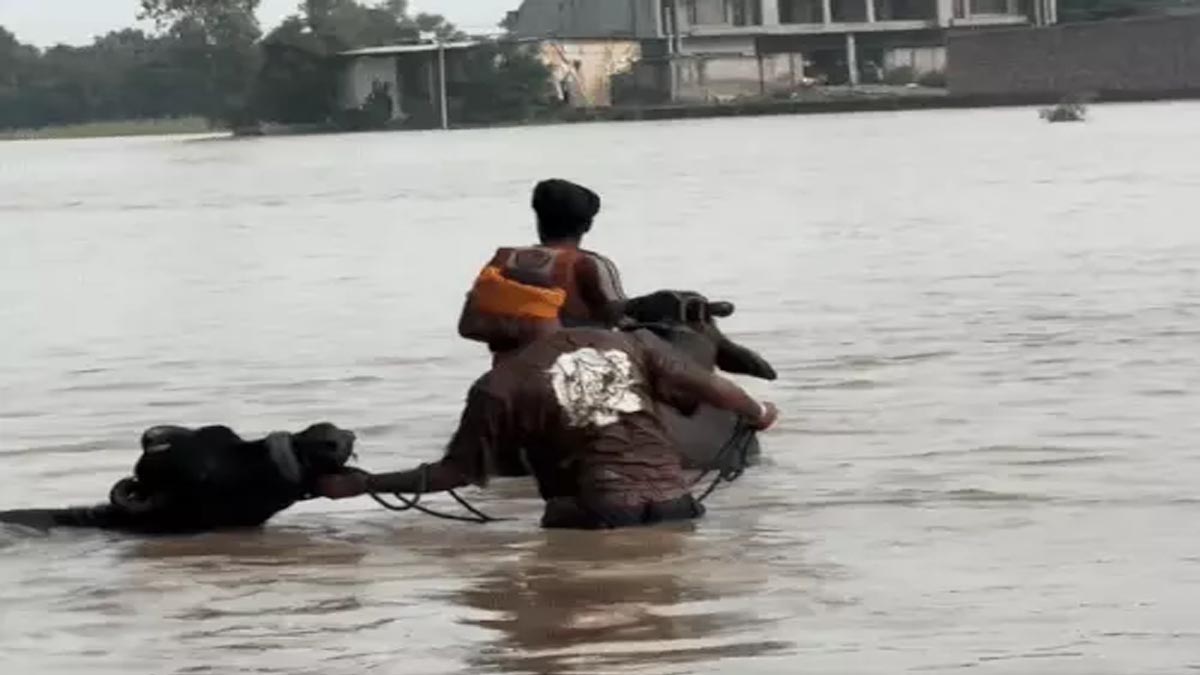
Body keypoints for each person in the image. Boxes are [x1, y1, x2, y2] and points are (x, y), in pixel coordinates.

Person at [318, 315, 779, 530]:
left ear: (496, 339)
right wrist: (758, 415)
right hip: (678, 506)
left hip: (595, 513)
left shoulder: (498, 386)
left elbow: (456, 474)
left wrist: (362, 484)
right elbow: (715, 388)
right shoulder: (628, 342)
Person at [457, 178, 629, 366]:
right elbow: (623, 320)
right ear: (587, 225)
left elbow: (473, 321)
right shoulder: (589, 264)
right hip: (573, 376)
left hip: (509, 373)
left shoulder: (504, 260)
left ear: (539, 219)